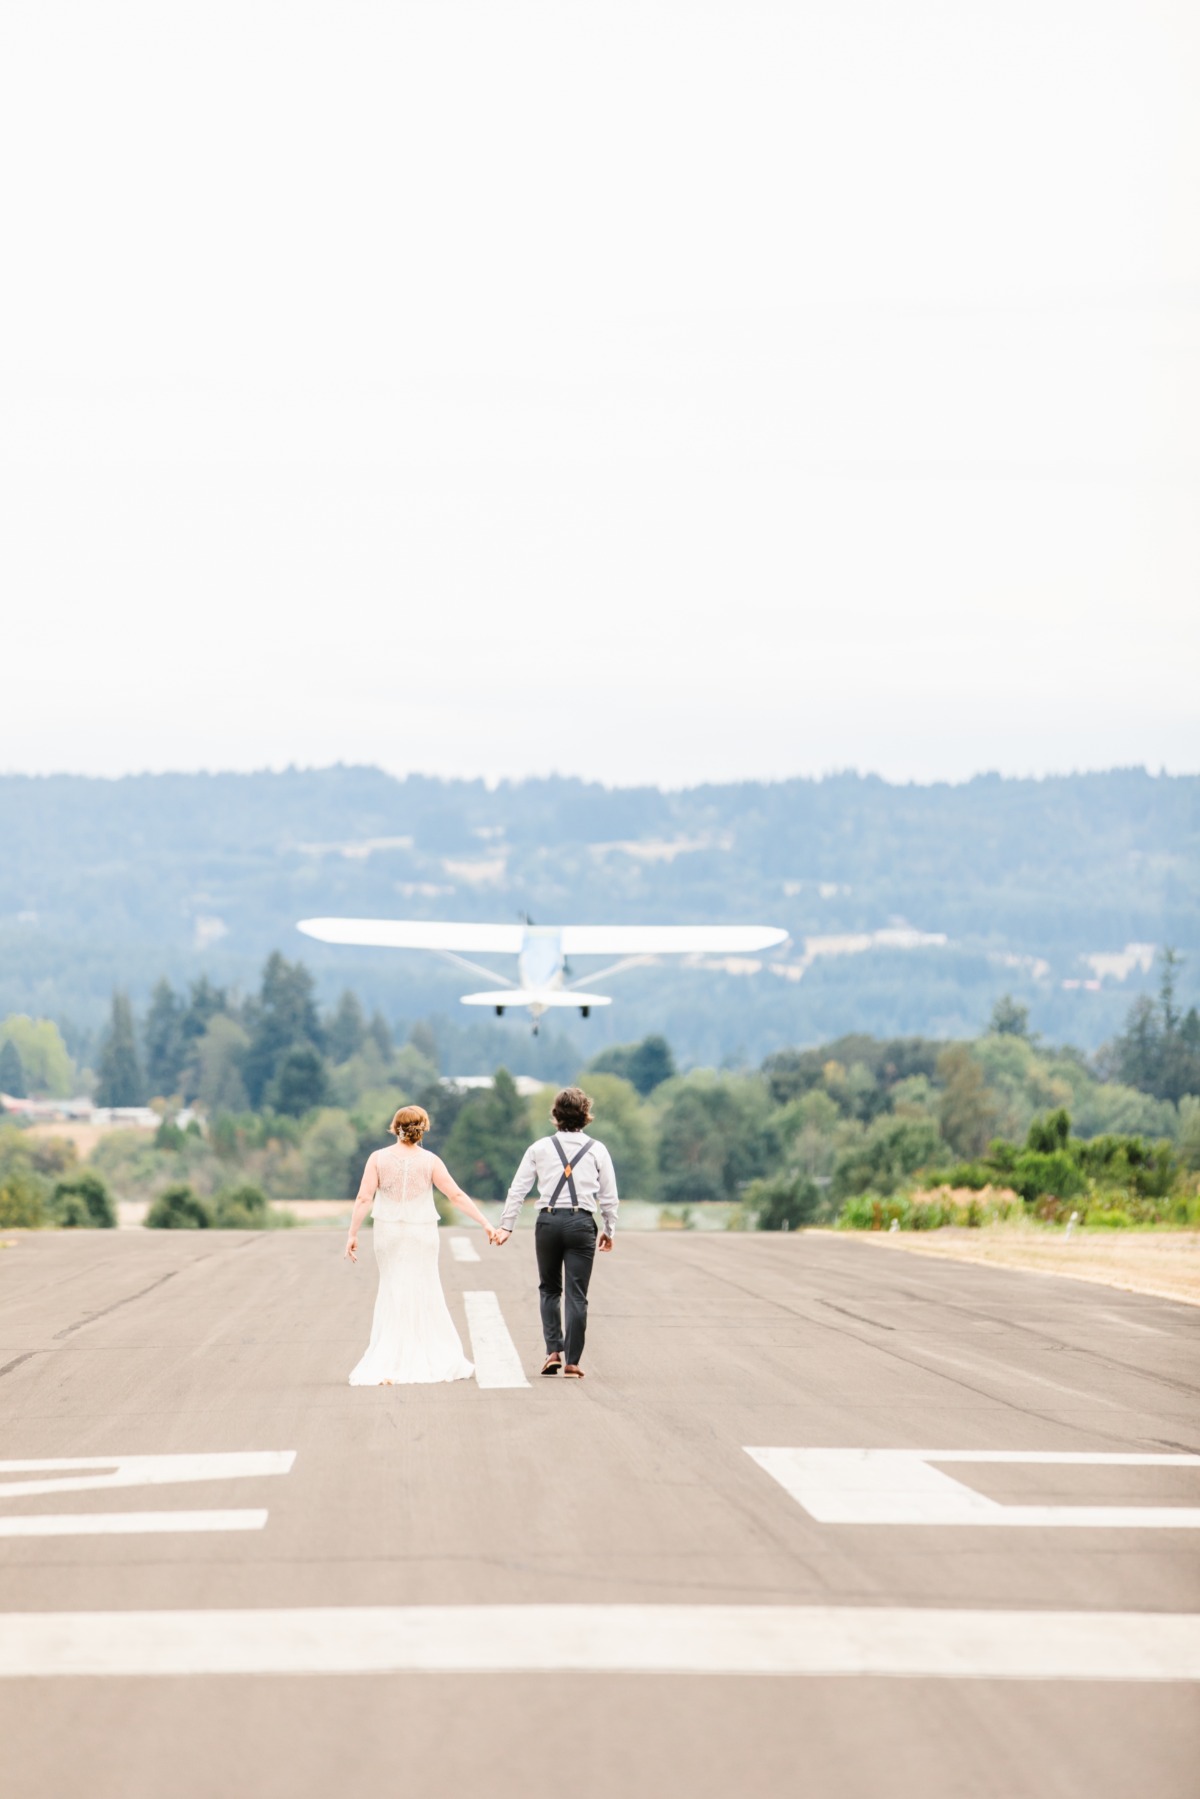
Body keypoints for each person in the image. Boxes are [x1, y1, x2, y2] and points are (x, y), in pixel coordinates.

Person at [344, 1104, 496, 1385]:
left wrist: (352, 1234)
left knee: (392, 1288)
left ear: (395, 1126)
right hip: (422, 1234)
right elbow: (456, 1196)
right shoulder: (430, 1161)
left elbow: (364, 1198)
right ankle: (424, 1352)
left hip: (388, 1233)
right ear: (423, 1128)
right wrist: (485, 1223)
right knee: (424, 1288)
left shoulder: (377, 1159)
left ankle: (390, 1356)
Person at [492, 1085, 617, 1379]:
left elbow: (518, 1189)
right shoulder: (598, 1149)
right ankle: (573, 1362)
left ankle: (553, 1352)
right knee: (577, 1295)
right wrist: (609, 1229)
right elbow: (609, 1196)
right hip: (581, 1223)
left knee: (549, 1289)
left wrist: (506, 1225)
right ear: (586, 1115)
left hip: (547, 1222)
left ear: (555, 1115)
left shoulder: (538, 1148)